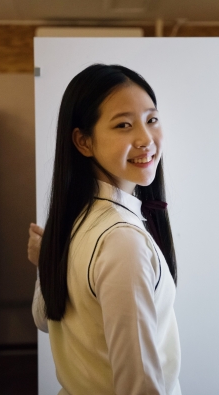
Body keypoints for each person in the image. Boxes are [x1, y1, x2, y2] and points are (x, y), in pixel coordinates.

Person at [29, 64, 181, 395]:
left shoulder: (78, 218)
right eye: (124, 125)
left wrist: (46, 264)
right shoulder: (122, 240)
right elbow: (139, 387)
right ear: (83, 141)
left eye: (152, 120)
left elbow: (46, 319)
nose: (146, 139)